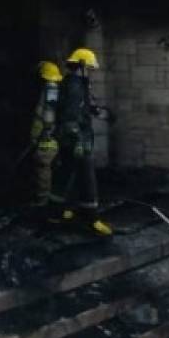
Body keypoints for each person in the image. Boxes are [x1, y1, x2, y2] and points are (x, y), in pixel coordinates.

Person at [48, 48, 113, 236]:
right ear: (82, 66)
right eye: (90, 68)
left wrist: (98, 111)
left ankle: (56, 213)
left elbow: (82, 107)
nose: (92, 71)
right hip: (77, 139)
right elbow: (70, 116)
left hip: (69, 138)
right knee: (87, 178)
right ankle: (91, 218)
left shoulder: (74, 83)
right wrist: (77, 139)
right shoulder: (75, 86)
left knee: (64, 174)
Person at [30, 61, 62, 206]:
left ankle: (42, 201)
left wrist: (39, 134)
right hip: (54, 135)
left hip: (47, 136)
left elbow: (45, 115)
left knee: (43, 167)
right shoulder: (57, 89)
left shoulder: (50, 90)